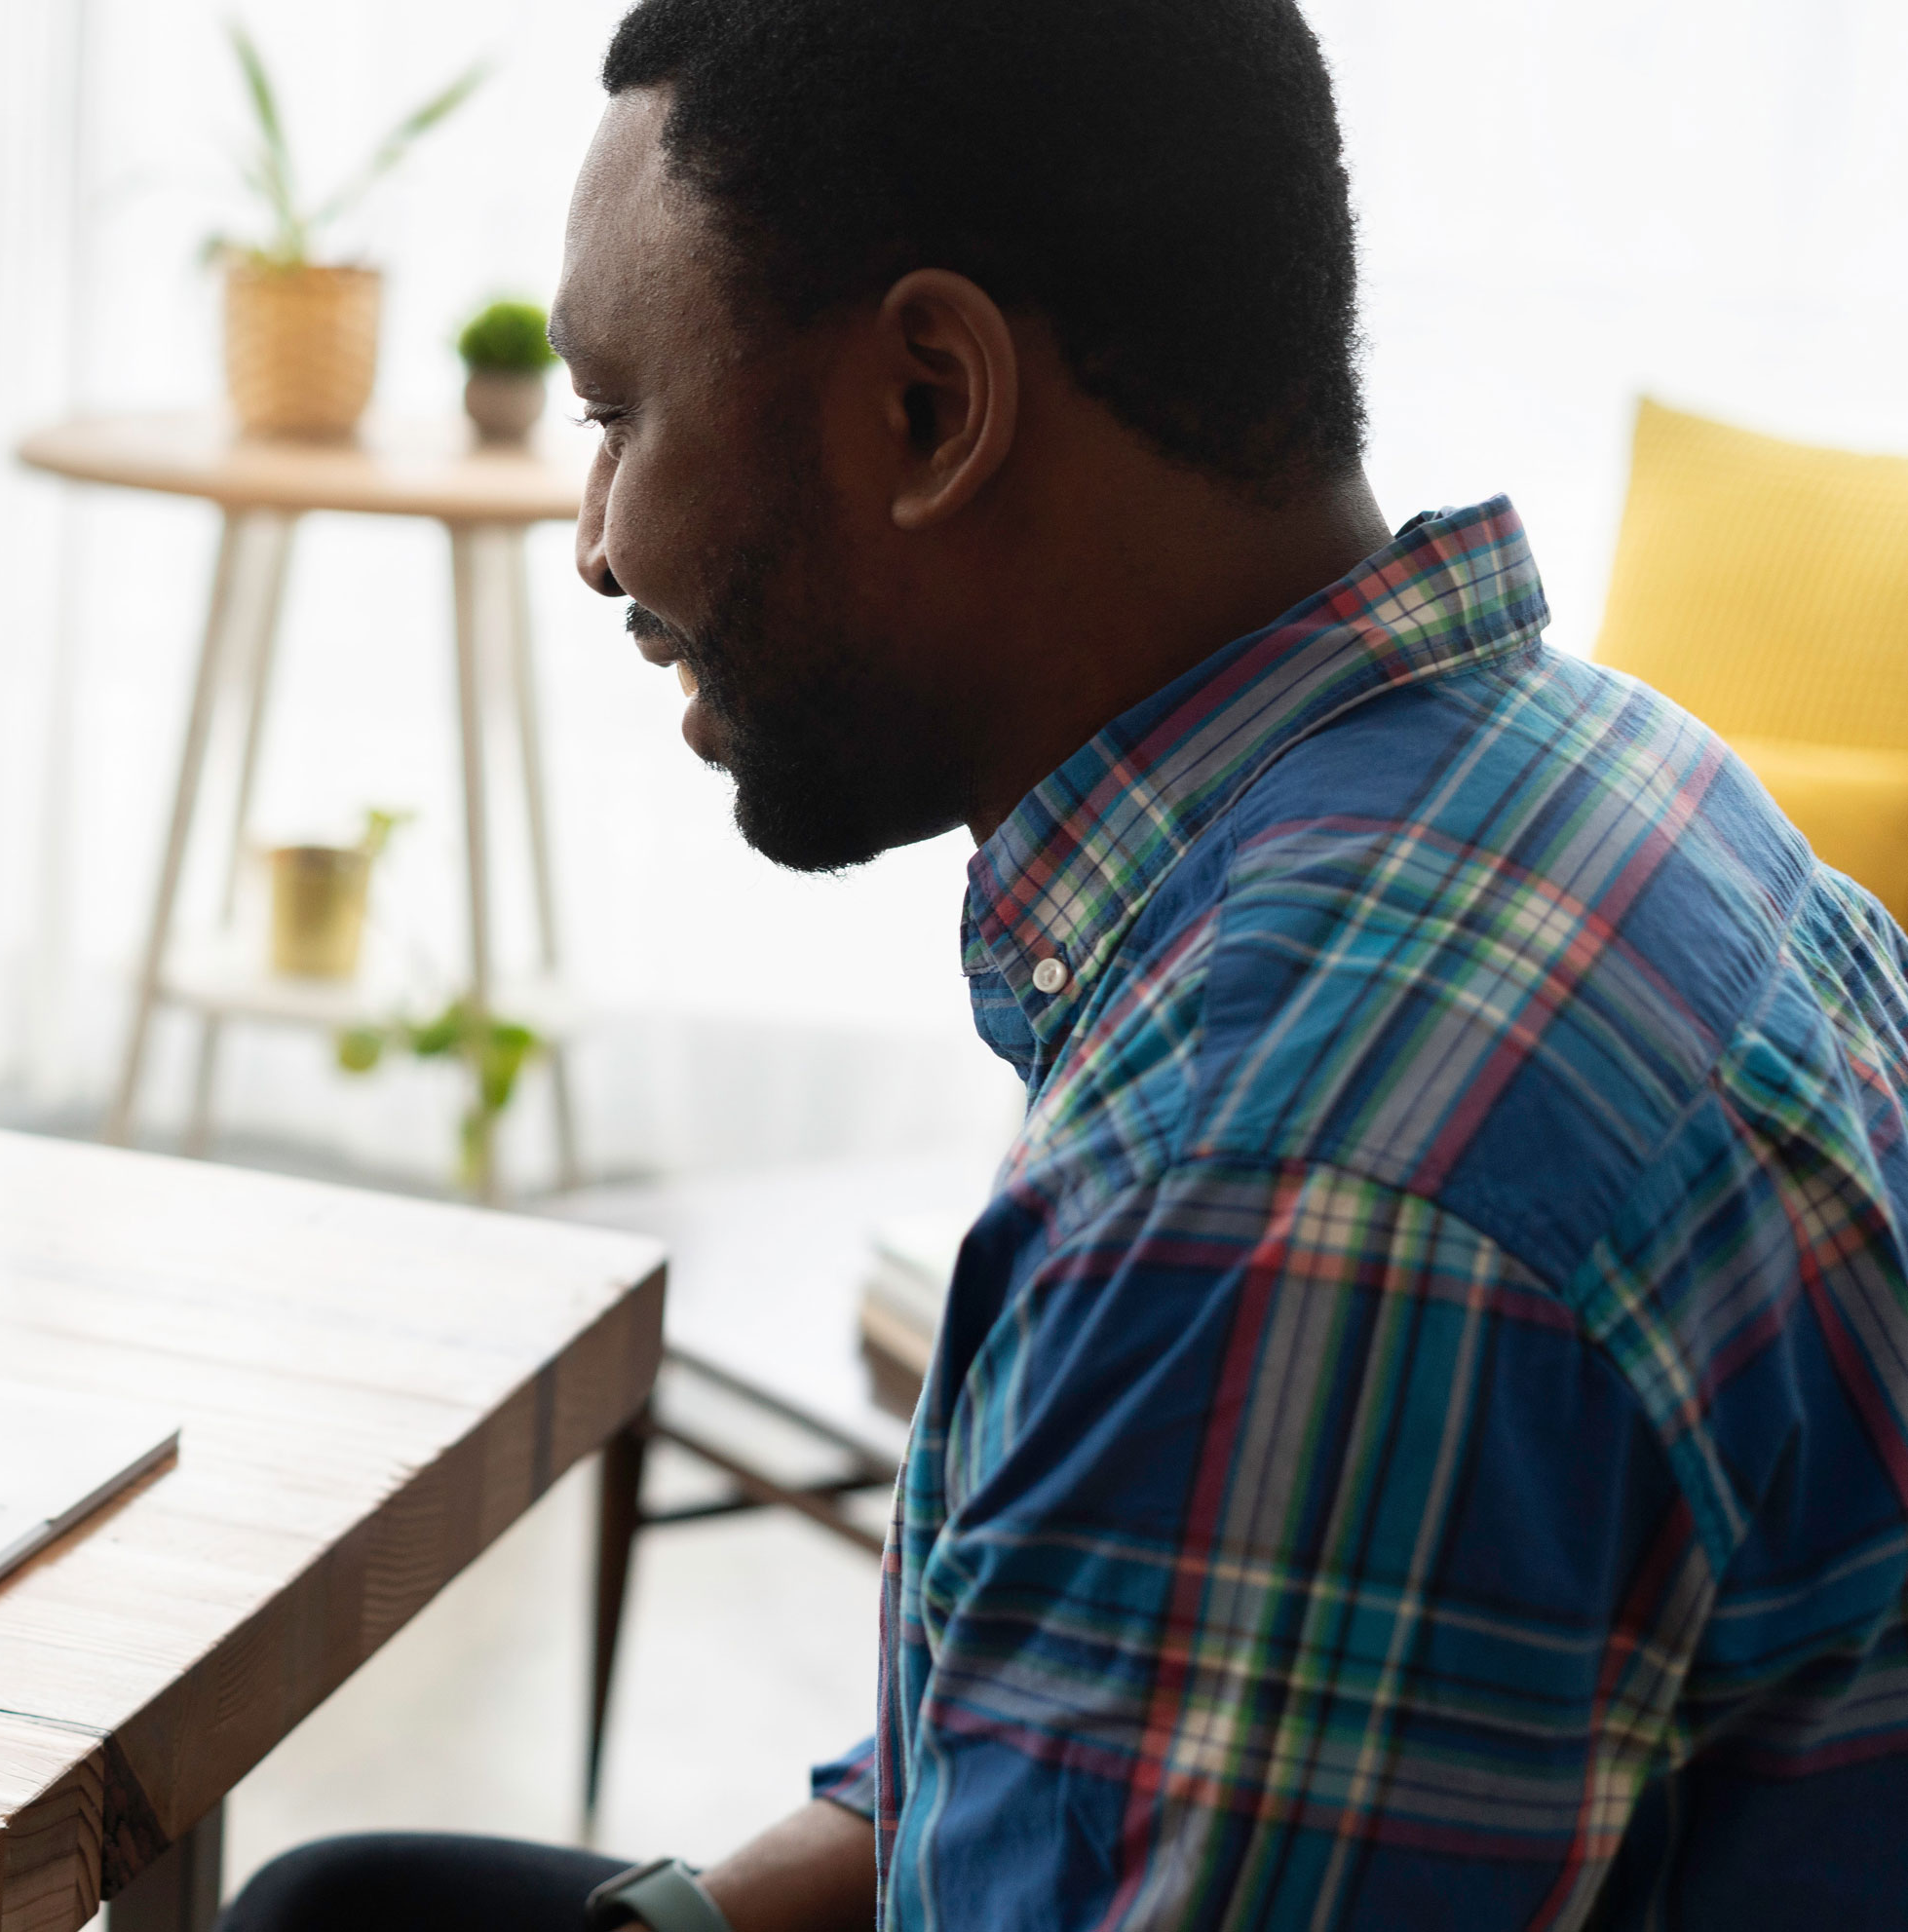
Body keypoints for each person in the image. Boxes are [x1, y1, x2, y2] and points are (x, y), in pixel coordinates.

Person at [222, 1, 1908, 1928]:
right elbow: (1101, 1715)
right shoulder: (1594, 776)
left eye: (621, 416)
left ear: (932, 403)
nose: (600, 543)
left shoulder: (1284, 1185)